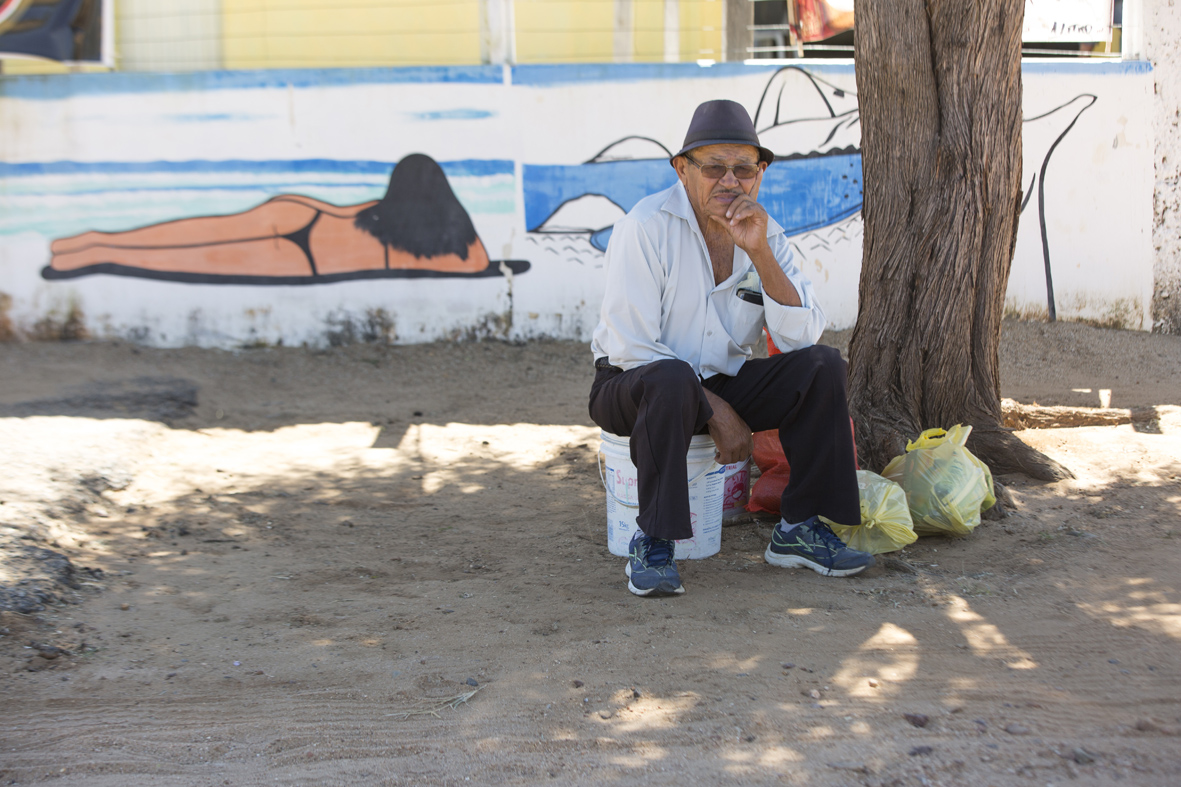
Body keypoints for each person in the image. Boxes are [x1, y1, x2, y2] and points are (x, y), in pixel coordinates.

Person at [588, 99, 874, 597]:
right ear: (682, 170)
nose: (729, 181)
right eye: (714, 167)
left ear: (759, 175)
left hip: (712, 380)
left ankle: (799, 528)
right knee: (672, 379)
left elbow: (798, 337)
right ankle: (652, 541)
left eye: (743, 168)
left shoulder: (766, 235)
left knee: (822, 367)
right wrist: (715, 408)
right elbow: (632, 346)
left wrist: (759, 253)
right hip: (631, 385)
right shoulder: (645, 227)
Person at [44, 154, 515, 282]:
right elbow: (477, 262)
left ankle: (92, 239)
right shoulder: (451, 244)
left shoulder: (379, 215)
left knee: (192, 234)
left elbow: (348, 212)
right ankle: (97, 250)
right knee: (185, 258)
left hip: (306, 216)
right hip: (305, 260)